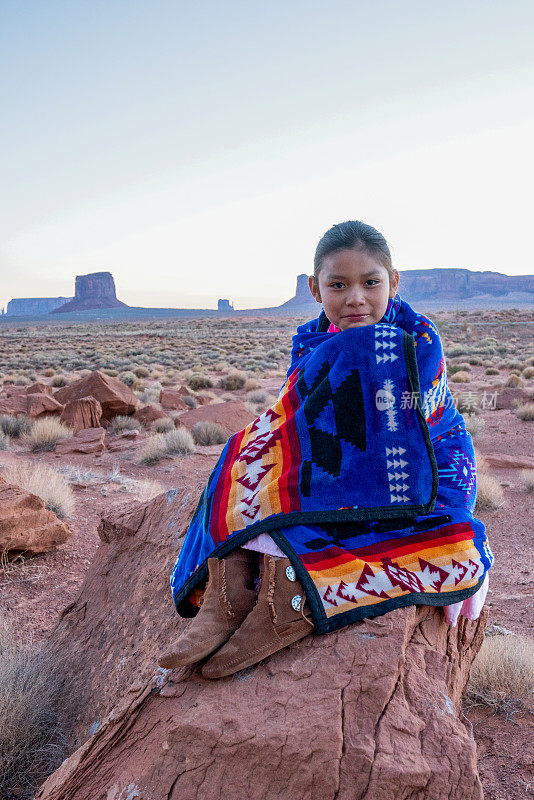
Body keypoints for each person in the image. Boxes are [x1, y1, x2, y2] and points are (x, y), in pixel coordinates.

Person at [159, 220, 493, 679]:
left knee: (301, 503)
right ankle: (230, 588)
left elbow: (415, 431)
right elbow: (296, 420)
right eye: (338, 285)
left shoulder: (416, 343)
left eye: (370, 283)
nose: (355, 297)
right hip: (337, 468)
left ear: (393, 284)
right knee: (244, 453)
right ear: (316, 290)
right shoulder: (311, 342)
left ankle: (291, 600)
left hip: (414, 475)